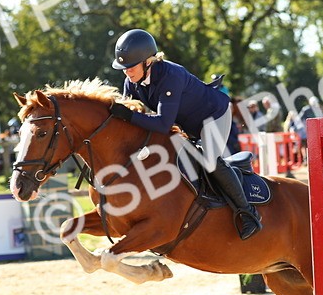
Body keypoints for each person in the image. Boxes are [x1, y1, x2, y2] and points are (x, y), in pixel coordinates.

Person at [107, 28, 261, 240]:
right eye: (124, 68)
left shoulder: (171, 76)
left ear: (148, 61)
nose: (127, 72)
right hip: (187, 124)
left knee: (209, 161)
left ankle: (248, 214)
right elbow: (128, 118)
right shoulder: (130, 82)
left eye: (131, 67)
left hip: (214, 116)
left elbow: (162, 123)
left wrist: (129, 116)